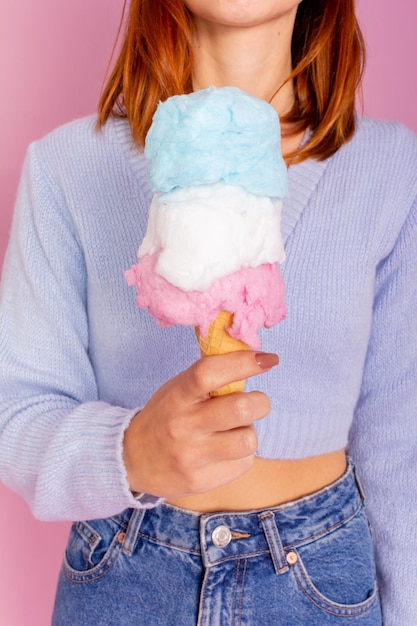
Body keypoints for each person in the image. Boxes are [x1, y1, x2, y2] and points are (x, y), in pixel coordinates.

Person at [0, 0, 416, 624]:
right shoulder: (66, 167)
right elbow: (17, 411)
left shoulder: (391, 170)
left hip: (322, 584)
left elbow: (402, 445)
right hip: (122, 571)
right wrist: (128, 452)